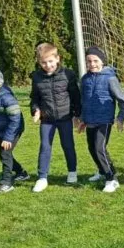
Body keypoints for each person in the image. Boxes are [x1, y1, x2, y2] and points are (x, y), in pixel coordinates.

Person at [29, 43, 80, 192]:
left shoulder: (68, 74)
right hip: (47, 119)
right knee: (45, 146)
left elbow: (75, 96)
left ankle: (72, 172)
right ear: (39, 62)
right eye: (44, 62)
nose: (48, 65)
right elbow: (35, 98)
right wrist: (35, 110)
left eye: (50, 61)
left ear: (57, 59)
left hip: (65, 118)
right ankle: (42, 177)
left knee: (68, 145)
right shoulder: (36, 77)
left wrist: (77, 115)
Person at [77, 46, 124, 193]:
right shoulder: (85, 79)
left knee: (100, 148)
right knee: (92, 148)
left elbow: (122, 100)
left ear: (102, 61)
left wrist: (121, 117)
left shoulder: (110, 78)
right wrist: (82, 119)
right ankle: (101, 171)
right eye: (89, 61)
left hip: (104, 120)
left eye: (95, 61)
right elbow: (83, 101)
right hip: (90, 120)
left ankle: (112, 179)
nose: (92, 64)